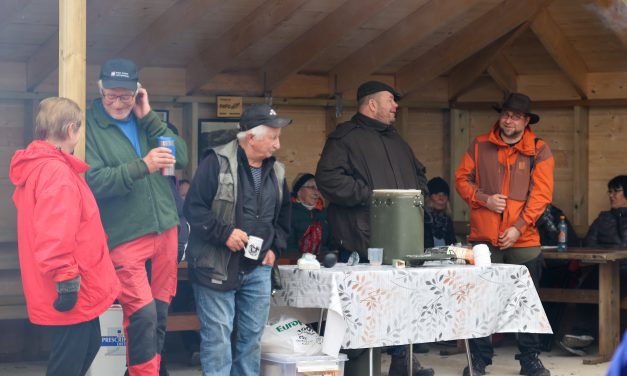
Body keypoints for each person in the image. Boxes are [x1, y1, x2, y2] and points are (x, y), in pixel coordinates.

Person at [316, 81, 433, 376]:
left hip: (403, 239)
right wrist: (369, 195)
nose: (396, 106)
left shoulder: (397, 140)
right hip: (362, 238)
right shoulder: (345, 138)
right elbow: (328, 178)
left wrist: (417, 196)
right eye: (391, 100)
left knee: (402, 301)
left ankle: (401, 359)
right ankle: (362, 366)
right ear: (372, 104)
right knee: (367, 309)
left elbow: (420, 174)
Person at [84, 58, 188, 376]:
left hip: (165, 230)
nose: (118, 103)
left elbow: (179, 159)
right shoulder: (90, 126)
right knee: (141, 315)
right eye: (110, 96)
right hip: (124, 233)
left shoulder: (149, 122)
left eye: (125, 96)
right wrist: (142, 166)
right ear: (100, 90)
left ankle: (152, 370)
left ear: (137, 92)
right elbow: (95, 181)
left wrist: (150, 118)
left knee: (159, 311)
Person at [10, 97, 120, 376]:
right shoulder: (56, 172)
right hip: (71, 282)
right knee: (69, 362)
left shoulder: (41, 167)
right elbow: (54, 232)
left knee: (87, 345)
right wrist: (66, 279)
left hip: (72, 278)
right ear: (71, 129)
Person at [183, 104, 291, 375]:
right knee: (218, 340)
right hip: (216, 266)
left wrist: (275, 248)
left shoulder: (277, 172)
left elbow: (285, 216)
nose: (278, 144)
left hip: (258, 268)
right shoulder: (215, 162)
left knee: (251, 340)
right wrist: (224, 233)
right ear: (251, 137)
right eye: (273, 137)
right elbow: (193, 209)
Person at [455, 92, 553, 376]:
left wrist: (517, 227)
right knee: (480, 300)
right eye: (506, 114)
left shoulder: (539, 149)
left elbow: (542, 195)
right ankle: (479, 361)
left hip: (523, 239)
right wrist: (484, 198)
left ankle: (529, 360)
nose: (509, 120)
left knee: (527, 300)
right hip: (483, 239)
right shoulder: (480, 144)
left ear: (526, 121)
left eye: (516, 116)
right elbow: (462, 179)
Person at [287, 172, 332, 259]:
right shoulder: (289, 212)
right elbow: (289, 246)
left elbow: (329, 244)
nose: (316, 193)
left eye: (317, 189)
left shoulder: (324, 213)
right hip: (295, 263)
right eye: (312, 188)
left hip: (322, 263)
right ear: (299, 191)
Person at [585, 175, 627, 248]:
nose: (611, 195)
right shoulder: (603, 219)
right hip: (606, 258)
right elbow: (589, 244)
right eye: (610, 191)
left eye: (616, 191)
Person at [424, 177, 456, 248]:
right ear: (429, 197)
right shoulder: (423, 221)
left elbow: (453, 246)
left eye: (444, 194)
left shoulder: (448, 221)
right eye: (436, 194)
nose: (441, 198)